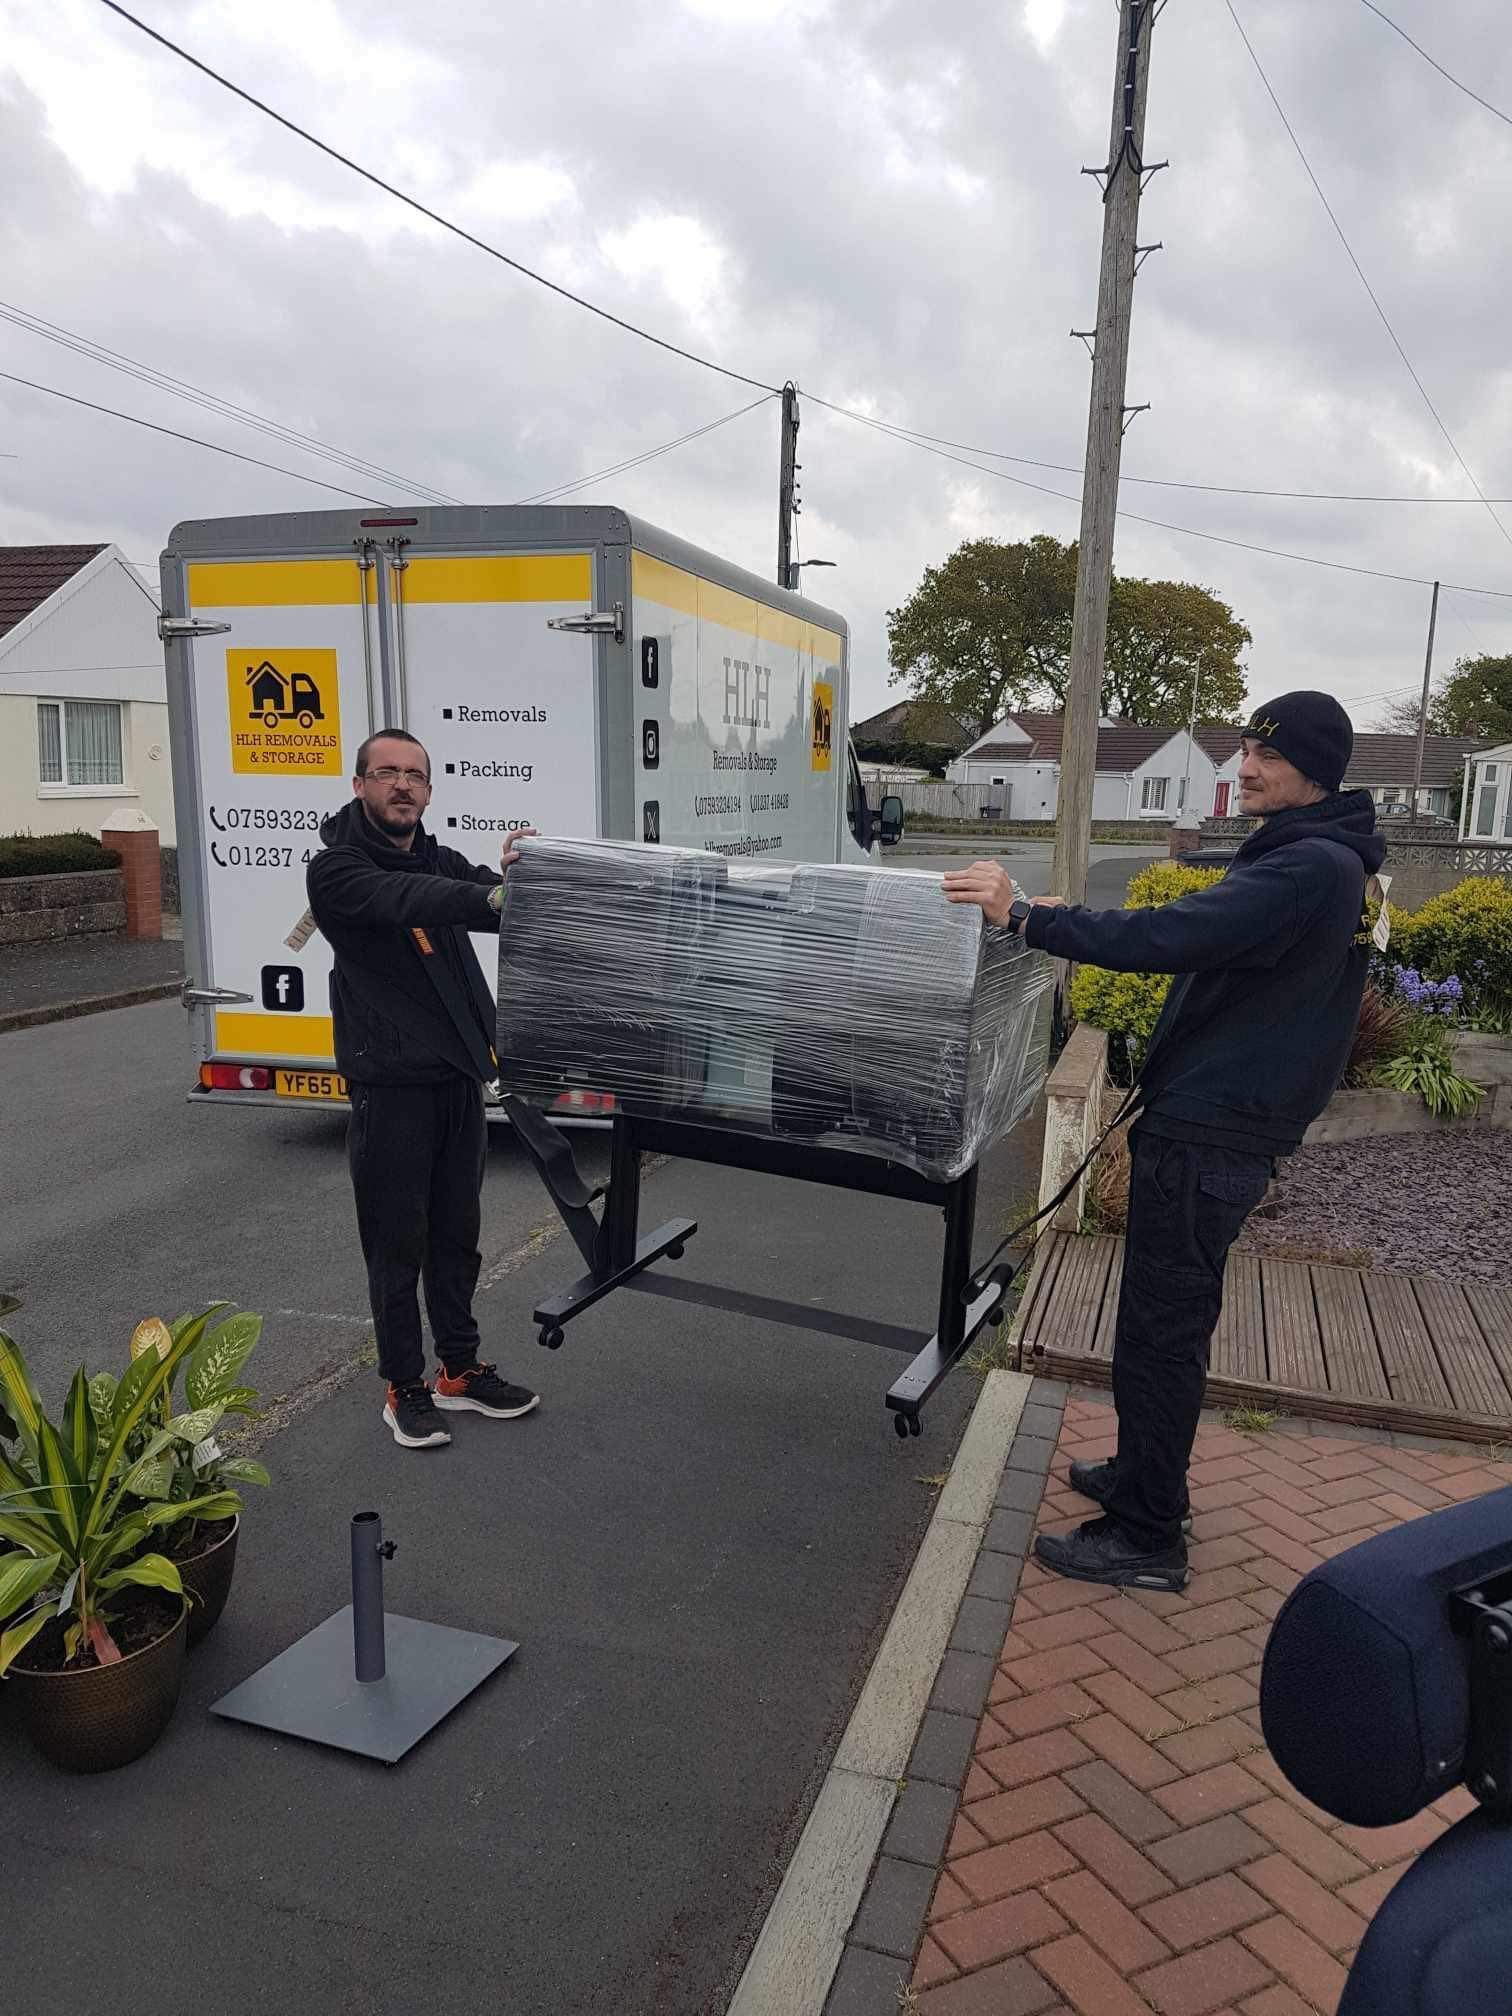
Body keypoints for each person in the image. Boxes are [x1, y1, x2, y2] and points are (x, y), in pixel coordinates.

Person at [943, 692, 1385, 1591]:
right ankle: (1146, 1477)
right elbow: (1215, 941)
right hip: (1214, 1122)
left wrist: (1028, 919)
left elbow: (1171, 936)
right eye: (1245, 752)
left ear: (1317, 774)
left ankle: (1147, 1533)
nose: (1246, 769)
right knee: (1160, 1320)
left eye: (1267, 757)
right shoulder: (1315, 857)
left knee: (1162, 1329)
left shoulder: (1310, 868)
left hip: (1212, 1133)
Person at [307, 728, 540, 1451]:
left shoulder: (436, 854)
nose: (401, 785)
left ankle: (460, 1371)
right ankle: (402, 1385)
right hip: (390, 1088)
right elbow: (414, 896)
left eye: (414, 775)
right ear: (359, 786)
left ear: (429, 791)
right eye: (386, 774)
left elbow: (468, 888)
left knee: (455, 1237)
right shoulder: (336, 871)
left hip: (456, 1080)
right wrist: (489, 895)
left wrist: (520, 874)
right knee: (395, 1243)